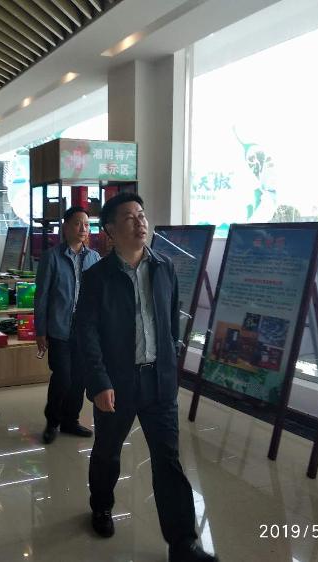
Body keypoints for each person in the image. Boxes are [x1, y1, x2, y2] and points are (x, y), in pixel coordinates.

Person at [76, 193, 218, 562]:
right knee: (107, 452)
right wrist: (99, 382)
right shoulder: (97, 277)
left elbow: (170, 322)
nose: (140, 222)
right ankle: (101, 506)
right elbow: (86, 334)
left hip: (159, 382)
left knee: (168, 459)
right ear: (110, 230)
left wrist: (170, 365)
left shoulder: (164, 267)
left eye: (141, 215)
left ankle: (183, 543)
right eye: (129, 217)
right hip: (117, 384)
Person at [35, 206, 100, 444]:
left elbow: (99, 297)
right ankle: (52, 421)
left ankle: (70, 420)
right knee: (63, 377)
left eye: (87, 224)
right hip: (59, 328)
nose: (83, 228)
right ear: (66, 227)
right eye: (78, 223)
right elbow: (41, 296)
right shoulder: (52, 257)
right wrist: (40, 330)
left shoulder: (94, 258)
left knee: (80, 378)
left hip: (85, 330)